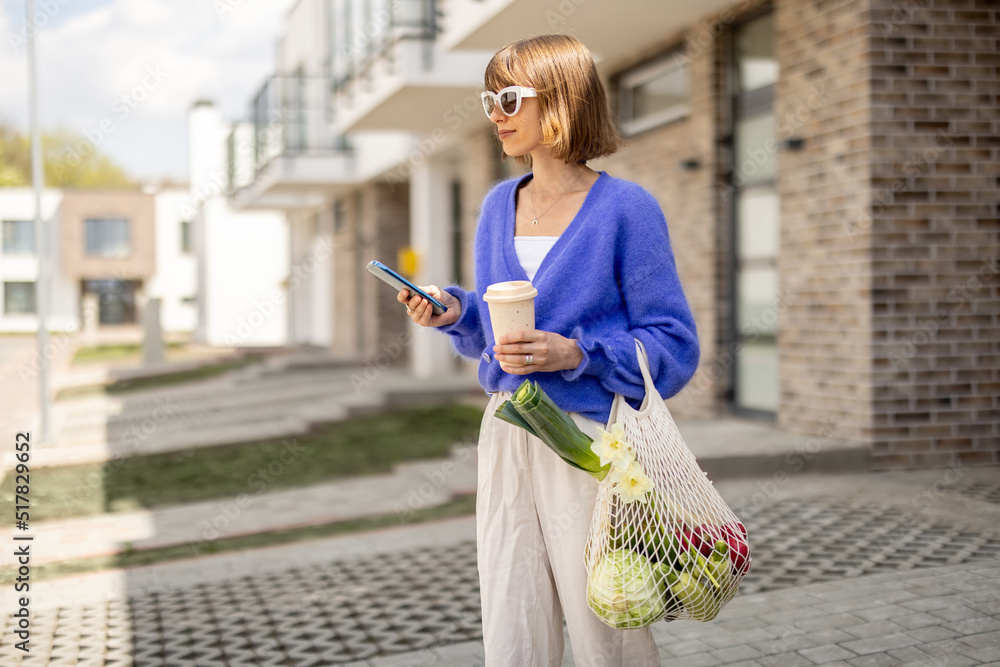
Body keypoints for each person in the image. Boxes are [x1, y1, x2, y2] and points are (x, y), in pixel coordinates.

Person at [396, 34, 699, 667]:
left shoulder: (626, 210)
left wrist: (576, 354)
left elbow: (673, 346)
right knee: (513, 615)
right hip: (509, 433)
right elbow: (495, 327)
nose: (495, 114)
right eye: (489, 99)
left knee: (605, 624)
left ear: (560, 99)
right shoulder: (494, 206)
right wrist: (455, 312)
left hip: (589, 442)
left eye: (509, 97)